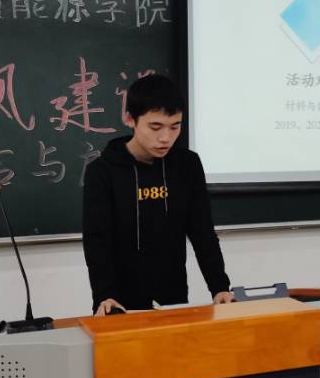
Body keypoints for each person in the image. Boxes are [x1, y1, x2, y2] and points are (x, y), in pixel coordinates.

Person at [82, 74, 234, 315]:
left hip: (173, 300)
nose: (166, 138)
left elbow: (202, 232)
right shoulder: (102, 172)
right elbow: (96, 241)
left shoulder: (187, 165)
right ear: (130, 119)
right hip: (118, 304)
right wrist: (104, 295)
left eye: (175, 126)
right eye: (155, 127)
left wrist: (220, 287)